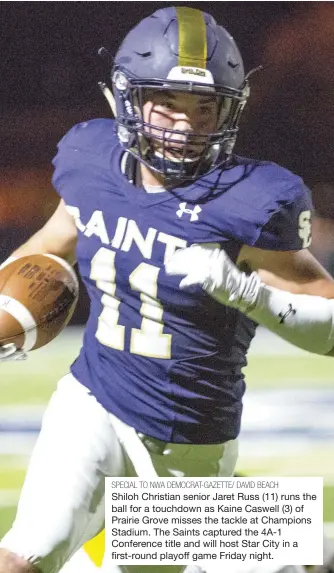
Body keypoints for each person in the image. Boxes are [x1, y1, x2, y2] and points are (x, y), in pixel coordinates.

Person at [0, 5, 333, 573]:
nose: (184, 125)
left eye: (205, 109)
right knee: (27, 553)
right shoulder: (91, 160)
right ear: (126, 100)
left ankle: (299, 544)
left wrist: (249, 295)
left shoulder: (252, 199)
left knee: (244, 563)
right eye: (167, 104)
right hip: (93, 403)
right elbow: (50, 242)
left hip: (194, 442)